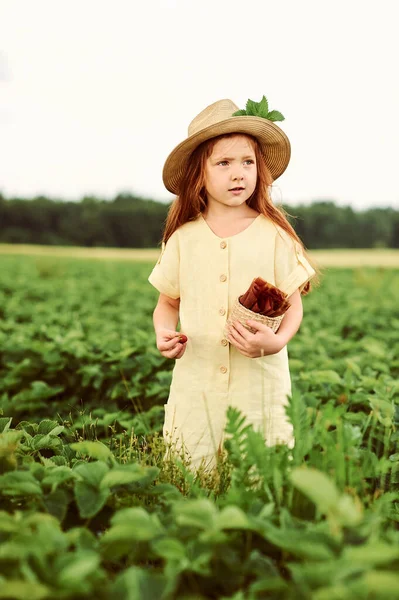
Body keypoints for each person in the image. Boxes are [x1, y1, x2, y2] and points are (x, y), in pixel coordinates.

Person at [148, 96, 320, 471]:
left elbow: (294, 306)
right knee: (192, 474)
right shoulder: (183, 238)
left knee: (259, 476)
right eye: (223, 163)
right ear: (200, 173)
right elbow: (168, 302)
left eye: (247, 162)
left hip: (259, 387)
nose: (238, 173)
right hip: (197, 384)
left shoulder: (275, 235)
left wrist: (276, 341)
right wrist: (164, 332)